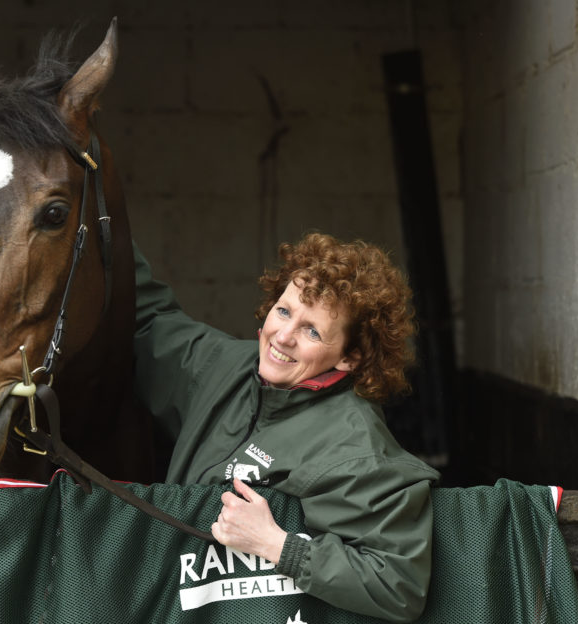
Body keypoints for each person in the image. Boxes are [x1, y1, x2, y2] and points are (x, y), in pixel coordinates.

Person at [132, 232, 440, 622]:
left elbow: (398, 584)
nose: (283, 336)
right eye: (283, 311)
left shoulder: (354, 445)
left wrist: (278, 545)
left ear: (349, 356)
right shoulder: (222, 367)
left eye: (312, 331)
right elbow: (147, 318)